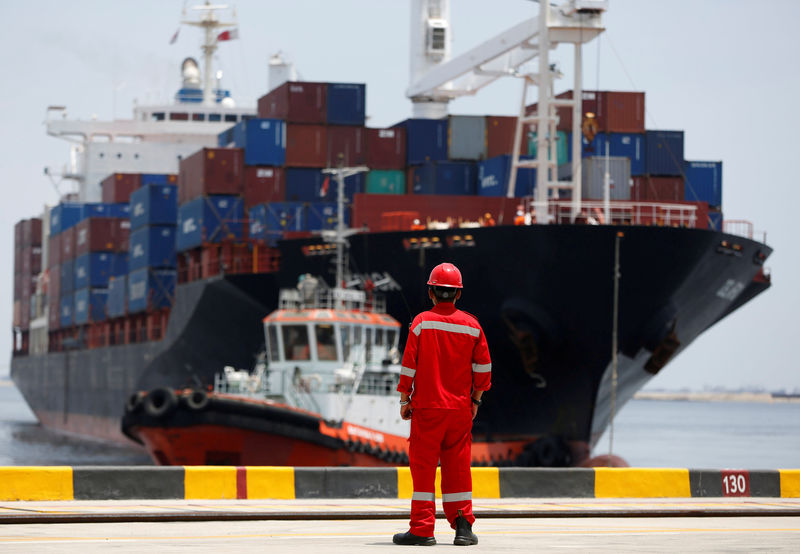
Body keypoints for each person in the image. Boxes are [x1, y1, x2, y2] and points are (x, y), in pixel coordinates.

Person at [392, 262, 491, 547]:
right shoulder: (473, 326)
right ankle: (463, 527)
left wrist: (404, 399)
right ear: (458, 294)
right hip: (460, 410)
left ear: (431, 292)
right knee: (458, 467)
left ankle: (422, 529)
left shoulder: (422, 322)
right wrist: (475, 400)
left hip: (428, 409)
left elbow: (409, 365)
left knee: (423, 469)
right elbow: (483, 368)